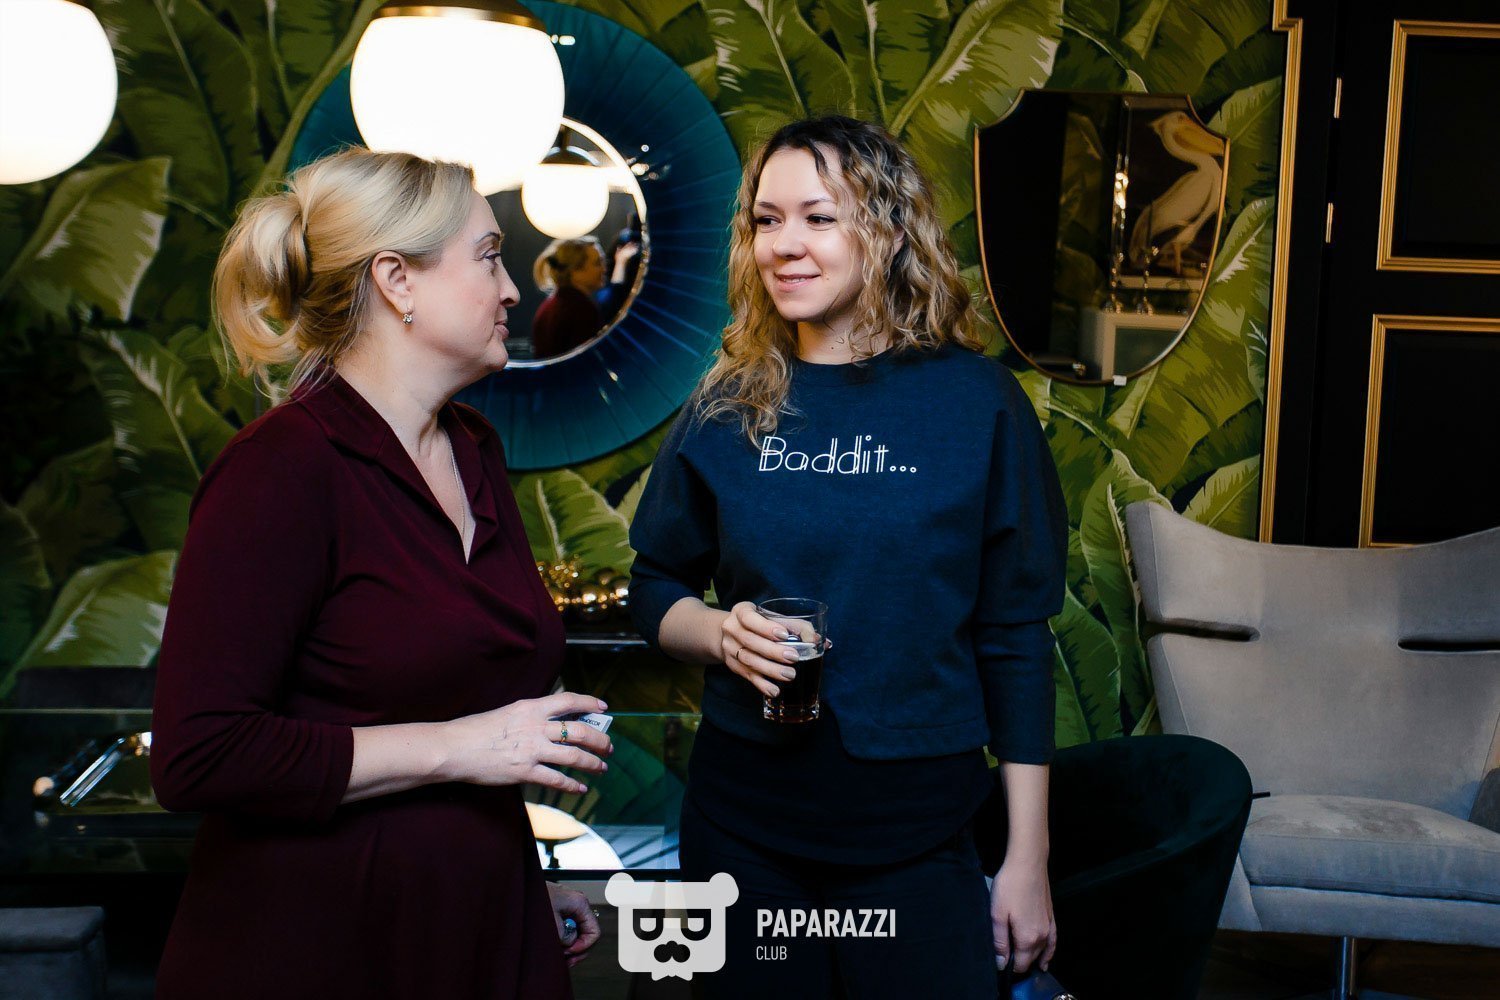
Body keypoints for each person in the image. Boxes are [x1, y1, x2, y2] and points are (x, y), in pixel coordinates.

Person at [150, 148, 613, 999]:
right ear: (397, 281)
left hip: (475, 926)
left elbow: (463, 704)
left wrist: (509, 884)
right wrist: (459, 747)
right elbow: (200, 755)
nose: (513, 289)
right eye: (488, 257)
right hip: (319, 949)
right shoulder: (282, 468)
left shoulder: (474, 448)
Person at [627, 116, 1068, 998]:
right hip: (744, 829)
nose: (784, 244)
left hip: (918, 832)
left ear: (891, 232)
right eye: (767, 220)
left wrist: (1027, 858)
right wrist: (719, 634)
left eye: (819, 218)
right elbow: (655, 584)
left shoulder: (978, 403)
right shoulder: (725, 403)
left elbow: (1016, 637)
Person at [531, 237, 605, 359]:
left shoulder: (551, 304)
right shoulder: (581, 309)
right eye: (597, 263)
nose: (604, 269)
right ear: (575, 270)